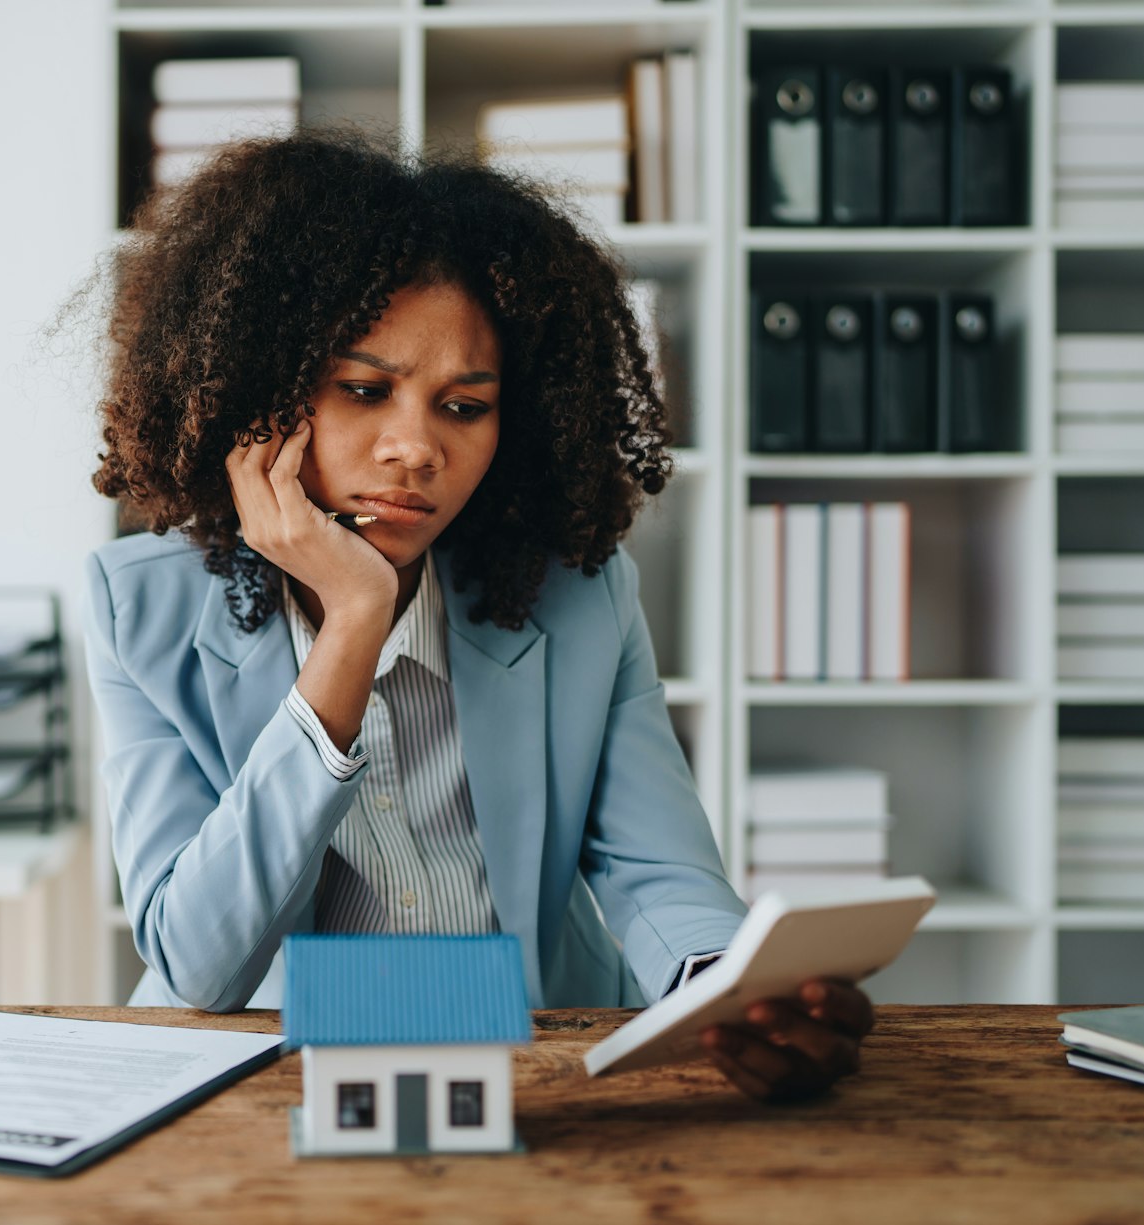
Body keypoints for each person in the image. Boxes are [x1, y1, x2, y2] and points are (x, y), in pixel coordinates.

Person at [79, 130, 873, 1103]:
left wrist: (723, 992)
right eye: (364, 391)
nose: (415, 448)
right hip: (258, 1084)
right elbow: (197, 966)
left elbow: (659, 871)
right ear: (260, 403)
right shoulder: (141, 606)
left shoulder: (578, 593)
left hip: (533, 1064)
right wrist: (353, 621)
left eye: (463, 406)